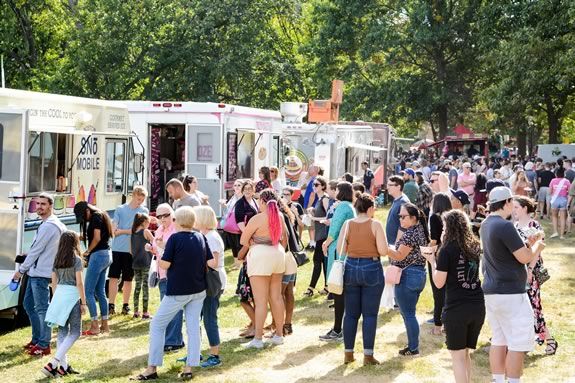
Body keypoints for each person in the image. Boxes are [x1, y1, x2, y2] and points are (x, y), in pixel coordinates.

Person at [134, 207, 211, 381]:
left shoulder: (175, 238)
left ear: (178, 220)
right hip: (198, 289)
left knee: (157, 325)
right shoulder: (200, 237)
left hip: (179, 289)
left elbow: (165, 265)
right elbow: (208, 261)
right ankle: (189, 366)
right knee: (192, 327)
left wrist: (161, 251)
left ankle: (152, 367)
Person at [480, 186, 545, 383]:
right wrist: (536, 245)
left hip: (492, 291)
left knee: (499, 339)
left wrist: (528, 245)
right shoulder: (504, 225)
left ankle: (498, 380)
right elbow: (524, 257)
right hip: (510, 292)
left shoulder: (485, 224)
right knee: (518, 343)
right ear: (507, 202)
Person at [424, 210, 485, 383]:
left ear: (449, 227)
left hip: (457, 309)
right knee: (465, 353)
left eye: (444, 227)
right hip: (477, 306)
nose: (442, 230)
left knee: (457, 357)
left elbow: (439, 282)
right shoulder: (474, 245)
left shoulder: (447, 249)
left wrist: (432, 261)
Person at [13, 193, 66, 356]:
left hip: (41, 273)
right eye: (37, 204)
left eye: (43, 204)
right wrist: (28, 255)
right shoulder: (48, 224)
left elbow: (37, 250)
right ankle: (37, 339)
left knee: (42, 308)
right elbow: (41, 248)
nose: (40, 207)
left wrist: (20, 271)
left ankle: (44, 345)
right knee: (29, 305)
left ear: (50, 206)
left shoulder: (49, 225)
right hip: (36, 270)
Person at [338, 193, 387, 365]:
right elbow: (383, 250)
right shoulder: (375, 224)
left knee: (350, 314)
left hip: (351, 266)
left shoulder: (347, 224)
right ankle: (368, 355)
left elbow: (341, 249)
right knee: (370, 315)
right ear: (370, 208)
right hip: (371, 267)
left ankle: (348, 353)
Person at [237, 189, 288, 348]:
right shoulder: (279, 216)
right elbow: (284, 239)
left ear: (263, 202)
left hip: (260, 255)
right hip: (277, 253)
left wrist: (255, 240)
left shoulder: (257, 218)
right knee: (277, 297)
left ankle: (258, 339)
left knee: (260, 301)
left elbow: (243, 240)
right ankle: (279, 334)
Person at [512, 196, 557, 355]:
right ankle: (520, 339)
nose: (514, 210)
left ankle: (549, 339)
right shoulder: (515, 225)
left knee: (533, 305)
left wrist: (530, 270)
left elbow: (538, 250)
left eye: (516, 207)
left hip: (531, 270)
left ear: (524, 208)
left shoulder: (534, 225)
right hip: (519, 269)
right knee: (522, 306)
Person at [42, 231, 86, 377]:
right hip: (72, 296)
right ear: (75, 243)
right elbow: (79, 283)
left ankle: (64, 367)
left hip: (59, 295)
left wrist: (56, 300)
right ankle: (53, 364)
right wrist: (83, 302)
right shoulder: (77, 260)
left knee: (62, 332)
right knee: (75, 332)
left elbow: (53, 283)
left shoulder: (57, 260)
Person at [387, 203, 429, 356]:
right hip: (417, 275)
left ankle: (413, 348)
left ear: (413, 218)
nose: (400, 219)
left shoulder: (411, 233)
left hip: (409, 275)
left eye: (403, 216)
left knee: (409, 314)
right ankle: (412, 346)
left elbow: (399, 255)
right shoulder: (419, 230)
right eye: (399, 216)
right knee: (409, 313)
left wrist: (384, 248)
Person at [320, 181, 356, 341]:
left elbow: (335, 228)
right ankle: (342, 328)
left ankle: (337, 329)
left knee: (337, 288)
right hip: (345, 249)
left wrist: (326, 243)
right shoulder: (349, 206)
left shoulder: (343, 207)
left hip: (338, 251)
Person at [73, 201, 114, 336]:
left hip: (97, 256)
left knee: (88, 291)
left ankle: (94, 325)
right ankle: (105, 325)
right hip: (107, 254)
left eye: (83, 216)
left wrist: (87, 251)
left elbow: (96, 238)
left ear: (87, 210)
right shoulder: (102, 215)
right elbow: (97, 236)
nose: (84, 219)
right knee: (100, 291)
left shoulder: (96, 217)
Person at [193, 206, 226, 368]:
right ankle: (195, 353)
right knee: (197, 317)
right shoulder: (206, 235)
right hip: (207, 280)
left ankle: (214, 355)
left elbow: (213, 262)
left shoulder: (211, 237)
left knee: (209, 318)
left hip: (213, 280)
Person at [108, 186, 149, 316]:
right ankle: (111, 305)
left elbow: (139, 230)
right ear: (133, 195)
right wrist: (118, 231)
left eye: (142, 199)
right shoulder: (120, 209)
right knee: (113, 277)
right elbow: (114, 229)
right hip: (117, 248)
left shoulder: (144, 210)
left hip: (133, 250)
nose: (140, 202)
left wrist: (123, 231)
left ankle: (125, 305)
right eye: (138, 199)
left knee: (128, 279)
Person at [151, 203, 184, 352]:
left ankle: (174, 340)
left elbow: (179, 251)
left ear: (172, 214)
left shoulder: (176, 230)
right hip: (162, 273)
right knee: (166, 307)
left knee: (173, 308)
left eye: (166, 215)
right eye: (159, 216)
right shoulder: (159, 230)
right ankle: (174, 339)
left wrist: (165, 246)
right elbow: (157, 250)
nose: (163, 218)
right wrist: (151, 248)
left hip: (173, 273)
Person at [234, 180, 259, 338]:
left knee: (253, 291)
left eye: (250, 188)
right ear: (242, 190)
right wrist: (249, 236)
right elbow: (239, 222)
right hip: (247, 240)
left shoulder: (255, 202)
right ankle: (255, 323)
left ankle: (255, 324)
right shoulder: (240, 204)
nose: (248, 191)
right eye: (246, 188)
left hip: (255, 241)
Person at [427, 193, 452, 335]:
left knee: (437, 289)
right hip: (451, 254)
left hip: (437, 254)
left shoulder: (434, 217)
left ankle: (437, 322)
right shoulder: (452, 216)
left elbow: (434, 240)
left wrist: (425, 249)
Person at [304, 176, 330, 297]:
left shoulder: (325, 199)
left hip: (324, 235)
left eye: (317, 185)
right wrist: (313, 211)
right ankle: (326, 286)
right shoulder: (319, 199)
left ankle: (311, 288)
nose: (314, 187)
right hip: (320, 234)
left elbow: (328, 217)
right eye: (313, 185)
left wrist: (314, 218)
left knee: (317, 260)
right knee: (321, 261)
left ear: (323, 186)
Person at [131, 213, 154, 319]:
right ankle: (145, 312)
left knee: (137, 287)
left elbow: (130, 250)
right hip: (145, 262)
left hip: (136, 263)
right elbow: (154, 242)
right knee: (145, 286)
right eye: (148, 223)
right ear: (144, 222)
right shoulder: (146, 231)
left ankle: (136, 311)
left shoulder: (133, 233)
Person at [220, 179, 244, 266]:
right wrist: (224, 205)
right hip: (230, 225)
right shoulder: (233, 197)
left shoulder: (243, 197)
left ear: (243, 187)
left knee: (239, 245)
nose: (237, 187)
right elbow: (228, 210)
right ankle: (236, 262)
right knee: (233, 245)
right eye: (235, 185)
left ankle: (239, 263)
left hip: (239, 224)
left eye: (239, 185)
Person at [385, 176, 410, 246]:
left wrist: (397, 244)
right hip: (392, 244)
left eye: (390, 185)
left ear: (398, 187)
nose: (388, 187)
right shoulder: (397, 199)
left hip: (396, 245)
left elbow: (404, 226)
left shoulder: (403, 202)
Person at [548, 167, 571, 238]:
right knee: (563, 218)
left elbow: (549, 191)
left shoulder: (553, 180)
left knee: (554, 216)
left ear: (556, 174)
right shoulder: (567, 181)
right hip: (564, 200)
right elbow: (569, 192)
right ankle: (562, 235)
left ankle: (555, 232)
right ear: (564, 174)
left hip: (555, 200)